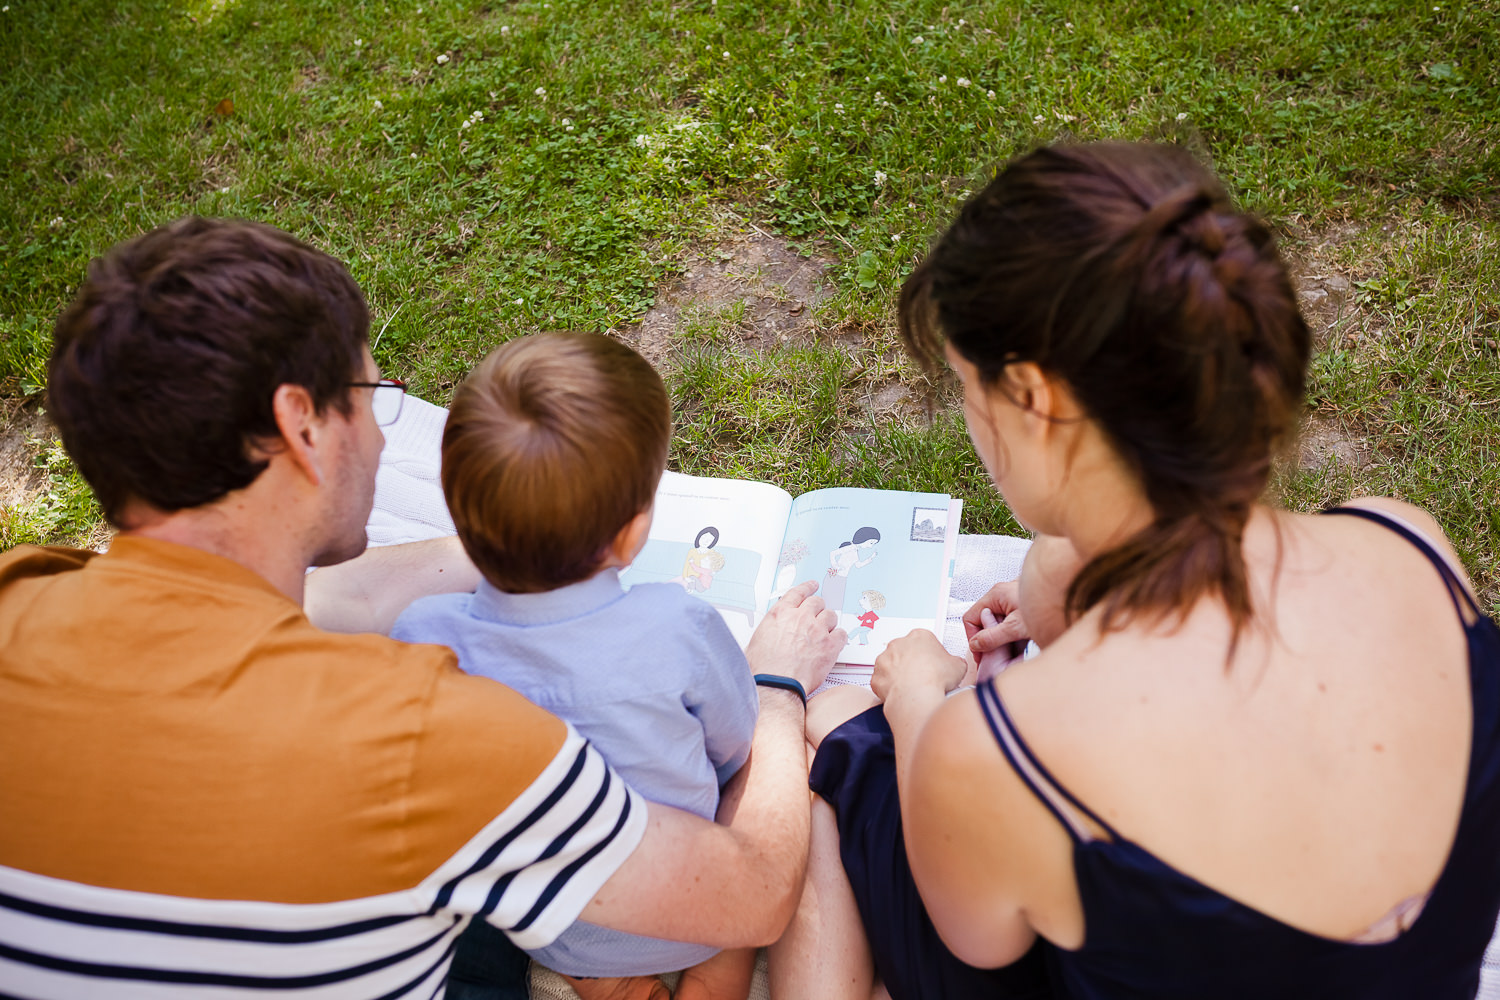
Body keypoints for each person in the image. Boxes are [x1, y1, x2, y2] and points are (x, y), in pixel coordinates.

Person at [0, 217, 843, 998]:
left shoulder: (20, 592)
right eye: (373, 399)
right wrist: (774, 691)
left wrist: (527, 542)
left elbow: (320, 598)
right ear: (301, 424)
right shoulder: (431, 732)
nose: (377, 436)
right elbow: (757, 895)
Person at [785, 142, 1500, 999]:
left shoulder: (996, 750)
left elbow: (975, 945)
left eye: (967, 392)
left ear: (1035, 403)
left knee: (847, 745)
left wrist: (915, 711)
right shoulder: (1406, 541)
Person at [390, 333, 759, 1000]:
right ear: (630, 532)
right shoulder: (679, 625)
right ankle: (713, 978)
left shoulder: (422, 638)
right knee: (740, 922)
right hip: (700, 902)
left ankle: (605, 981)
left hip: (554, 928)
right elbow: (735, 744)